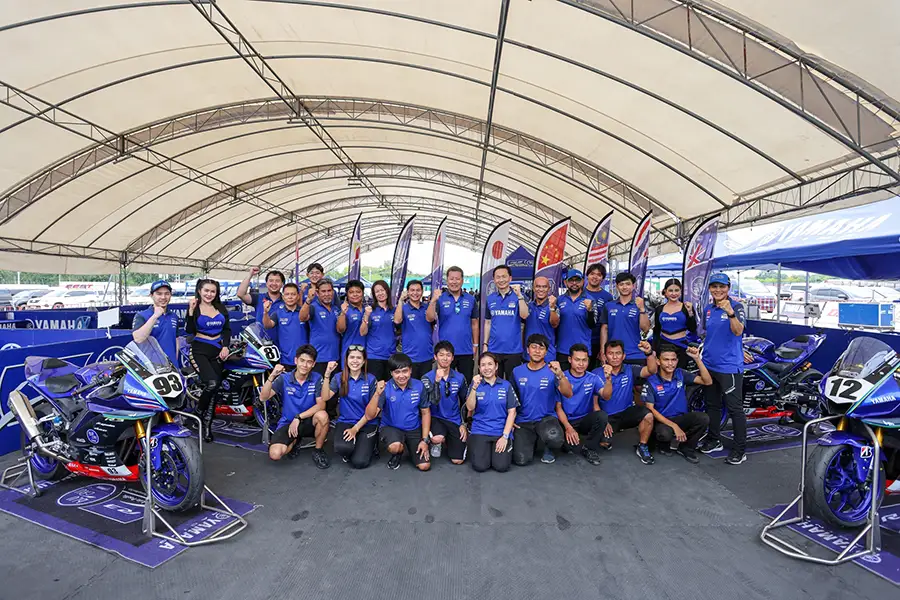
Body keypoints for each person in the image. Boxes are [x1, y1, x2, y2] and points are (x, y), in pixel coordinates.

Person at [697, 273, 748, 466]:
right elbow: (707, 334)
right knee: (712, 406)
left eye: (722, 286)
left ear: (728, 288)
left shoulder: (737, 307)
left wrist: (730, 313)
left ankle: (740, 450)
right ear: (710, 288)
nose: (718, 290)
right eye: (714, 286)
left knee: (735, 409)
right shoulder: (708, 309)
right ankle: (714, 440)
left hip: (729, 367)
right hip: (709, 364)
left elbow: (738, 331)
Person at [260, 345, 334, 469]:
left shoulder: (317, 378)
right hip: (288, 422)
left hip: (309, 421)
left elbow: (321, 405)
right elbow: (263, 397)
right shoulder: (284, 378)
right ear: (296, 360)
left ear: (313, 364)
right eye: (302, 360)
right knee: (275, 454)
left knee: (323, 415)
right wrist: (271, 377)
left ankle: (318, 450)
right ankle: (295, 441)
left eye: (309, 362)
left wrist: (299, 417)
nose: (305, 365)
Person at [644, 345, 712, 463]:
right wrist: (674, 426)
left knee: (703, 418)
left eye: (673, 360)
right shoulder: (651, 381)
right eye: (666, 360)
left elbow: (707, 381)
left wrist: (697, 359)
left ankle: (686, 447)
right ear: (658, 361)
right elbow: (650, 409)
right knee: (664, 433)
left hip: (680, 417)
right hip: (661, 421)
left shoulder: (681, 374)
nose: (670, 363)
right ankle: (662, 444)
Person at [511, 334, 571, 466]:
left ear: (546, 352)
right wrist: (510, 420)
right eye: (534, 347)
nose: (537, 351)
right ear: (528, 350)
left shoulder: (553, 371)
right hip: (524, 421)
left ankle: (548, 447)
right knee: (521, 460)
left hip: (546, 418)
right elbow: (511, 399)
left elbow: (568, 393)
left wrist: (560, 375)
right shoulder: (517, 371)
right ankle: (534, 441)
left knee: (554, 438)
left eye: (541, 348)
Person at [365, 353, 432, 471]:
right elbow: (370, 416)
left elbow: (426, 412)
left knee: (424, 466)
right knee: (395, 447)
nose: (401, 376)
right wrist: (376, 394)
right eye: (397, 372)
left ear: (410, 370)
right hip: (391, 427)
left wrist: (425, 440)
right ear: (391, 373)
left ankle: (411, 448)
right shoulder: (385, 388)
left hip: (413, 428)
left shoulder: (419, 385)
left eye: (405, 371)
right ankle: (398, 453)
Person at [596, 339, 658, 464]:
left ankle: (642, 446)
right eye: (610, 353)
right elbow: (593, 402)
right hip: (607, 417)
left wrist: (649, 353)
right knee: (604, 443)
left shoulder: (630, 369)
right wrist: (602, 420)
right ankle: (606, 436)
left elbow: (651, 370)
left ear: (623, 356)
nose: (614, 357)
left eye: (618, 353)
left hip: (626, 413)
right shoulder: (596, 374)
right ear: (605, 356)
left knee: (648, 415)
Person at [185, 279, 231, 443]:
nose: (209, 294)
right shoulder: (194, 307)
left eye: (213, 291)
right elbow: (189, 330)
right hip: (199, 350)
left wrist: (226, 346)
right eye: (206, 290)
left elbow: (227, 330)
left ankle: (207, 426)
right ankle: (198, 412)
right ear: (199, 291)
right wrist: (191, 311)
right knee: (212, 383)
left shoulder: (220, 308)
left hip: (218, 350)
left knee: (215, 389)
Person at [325, 346, 381, 469]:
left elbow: (373, 412)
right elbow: (325, 397)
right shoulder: (339, 377)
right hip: (346, 421)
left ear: (364, 361)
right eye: (352, 357)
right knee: (342, 448)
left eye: (359, 358)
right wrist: (327, 374)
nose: (355, 361)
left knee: (359, 462)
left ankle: (371, 444)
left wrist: (355, 429)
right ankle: (358, 446)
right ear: (346, 360)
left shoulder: (371, 379)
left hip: (367, 422)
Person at [554, 343, 606, 466]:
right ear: (570, 359)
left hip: (584, 420)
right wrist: (568, 427)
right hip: (565, 420)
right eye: (577, 360)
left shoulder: (593, 378)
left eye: (584, 360)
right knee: (566, 448)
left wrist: (608, 380)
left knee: (602, 416)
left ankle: (589, 448)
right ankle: (567, 440)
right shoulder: (560, 378)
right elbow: (558, 408)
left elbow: (605, 395)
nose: (581, 364)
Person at [466, 353, 518, 473]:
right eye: (483, 365)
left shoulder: (506, 385)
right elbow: (470, 407)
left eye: (490, 364)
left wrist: (505, 436)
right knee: (480, 466)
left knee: (501, 466)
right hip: (480, 430)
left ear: (496, 366)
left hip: (500, 431)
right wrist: (474, 388)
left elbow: (512, 412)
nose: (487, 368)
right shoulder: (475, 385)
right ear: (479, 368)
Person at [426, 266, 479, 381]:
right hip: (445, 351)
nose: (454, 282)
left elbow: (474, 323)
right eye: (451, 279)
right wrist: (433, 300)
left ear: (462, 280)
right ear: (447, 280)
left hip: (465, 349)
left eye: (457, 279)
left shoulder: (471, 299)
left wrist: (475, 345)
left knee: (466, 382)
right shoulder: (440, 298)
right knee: (444, 383)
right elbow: (429, 318)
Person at [421, 341, 468, 464]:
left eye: (448, 355)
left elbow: (465, 402)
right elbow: (433, 400)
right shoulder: (426, 378)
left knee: (457, 460)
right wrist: (436, 381)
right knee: (437, 438)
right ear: (435, 357)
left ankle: (449, 439)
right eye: (441, 355)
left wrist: (464, 424)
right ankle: (437, 440)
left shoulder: (460, 377)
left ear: (452, 358)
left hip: (454, 419)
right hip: (435, 418)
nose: (445, 358)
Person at [483, 265, 529, 380]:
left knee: (512, 384)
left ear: (510, 278)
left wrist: (519, 296)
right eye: (498, 277)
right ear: (494, 280)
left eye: (504, 276)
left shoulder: (519, 297)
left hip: (513, 350)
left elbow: (525, 315)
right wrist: (485, 344)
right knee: (493, 383)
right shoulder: (490, 298)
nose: (501, 280)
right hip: (494, 349)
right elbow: (488, 323)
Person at [599, 272, 651, 365]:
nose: (624, 287)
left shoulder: (639, 305)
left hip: (635, 354)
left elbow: (645, 329)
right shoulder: (609, 306)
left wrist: (642, 309)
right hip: (614, 355)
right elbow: (604, 329)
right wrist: (603, 351)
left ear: (633, 286)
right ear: (617, 286)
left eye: (628, 284)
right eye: (621, 284)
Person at [652, 278, 698, 368]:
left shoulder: (686, 307)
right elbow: (656, 330)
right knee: (664, 371)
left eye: (676, 290)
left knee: (680, 372)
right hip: (663, 345)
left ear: (681, 291)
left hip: (681, 345)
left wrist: (690, 313)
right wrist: (654, 349)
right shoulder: (659, 309)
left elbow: (692, 329)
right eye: (670, 290)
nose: (673, 293)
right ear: (665, 292)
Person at [299, 279, 341, 376]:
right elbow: (302, 317)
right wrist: (308, 300)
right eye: (323, 291)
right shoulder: (313, 307)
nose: (327, 294)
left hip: (335, 357)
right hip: (318, 358)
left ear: (333, 292)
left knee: (333, 385)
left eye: (329, 291)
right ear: (317, 293)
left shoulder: (336, 309)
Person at [555, 270, 595, 371]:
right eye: (571, 280)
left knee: (582, 379)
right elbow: (554, 324)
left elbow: (592, 324)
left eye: (577, 280)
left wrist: (590, 310)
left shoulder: (590, 299)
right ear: (565, 282)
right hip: (563, 349)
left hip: (583, 350)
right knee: (563, 379)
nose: (574, 283)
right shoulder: (559, 300)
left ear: (583, 281)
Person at [393, 280, 433, 379]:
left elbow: (432, 320)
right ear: (408, 292)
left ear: (422, 292)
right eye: (412, 290)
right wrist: (400, 301)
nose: (415, 293)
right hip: (410, 357)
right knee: (412, 386)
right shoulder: (403, 308)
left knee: (426, 386)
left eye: (418, 290)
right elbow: (397, 321)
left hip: (427, 355)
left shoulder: (427, 308)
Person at [131, 280, 179, 365]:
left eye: (167, 293)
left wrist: (175, 361)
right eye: (159, 294)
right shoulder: (142, 315)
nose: (163, 297)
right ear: (151, 295)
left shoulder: (174, 316)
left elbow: (176, 339)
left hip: (171, 366)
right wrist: (155, 316)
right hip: (151, 366)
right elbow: (138, 338)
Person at [262, 282, 307, 369]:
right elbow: (268, 325)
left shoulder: (304, 312)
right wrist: (265, 312)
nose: (290, 297)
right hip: (286, 359)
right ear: (283, 297)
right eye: (287, 294)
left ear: (298, 296)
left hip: (304, 359)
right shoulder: (278, 312)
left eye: (293, 294)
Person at [237, 267, 284, 342]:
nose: (274, 283)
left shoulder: (287, 301)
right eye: (271, 280)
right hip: (261, 343)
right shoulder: (259, 297)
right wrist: (250, 275)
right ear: (266, 283)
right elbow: (241, 294)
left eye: (277, 281)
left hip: (281, 344)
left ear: (282, 284)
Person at [583, 264, 615, 369]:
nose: (595, 277)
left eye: (599, 275)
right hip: (581, 340)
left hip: (599, 341)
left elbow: (608, 323)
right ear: (587, 275)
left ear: (603, 278)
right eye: (592, 274)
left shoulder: (608, 297)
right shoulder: (579, 293)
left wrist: (603, 348)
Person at [523, 276, 559, 364]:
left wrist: (552, 308)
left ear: (549, 289)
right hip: (529, 355)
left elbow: (555, 324)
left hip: (547, 356)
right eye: (538, 286)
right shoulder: (528, 306)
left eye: (544, 287)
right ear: (533, 288)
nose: (541, 289)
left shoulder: (553, 307)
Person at [364, 280, 395, 381]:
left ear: (387, 291)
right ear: (374, 295)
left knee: (389, 388)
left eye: (382, 290)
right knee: (375, 387)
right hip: (374, 356)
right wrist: (366, 316)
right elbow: (362, 332)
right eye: (377, 291)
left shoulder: (394, 310)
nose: (380, 293)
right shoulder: (370, 311)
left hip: (391, 356)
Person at [337, 280, 367, 360]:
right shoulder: (345, 310)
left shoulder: (367, 310)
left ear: (363, 293)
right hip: (349, 351)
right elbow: (340, 330)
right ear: (347, 294)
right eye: (351, 292)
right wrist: (343, 313)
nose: (355, 294)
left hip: (366, 352)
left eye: (358, 292)